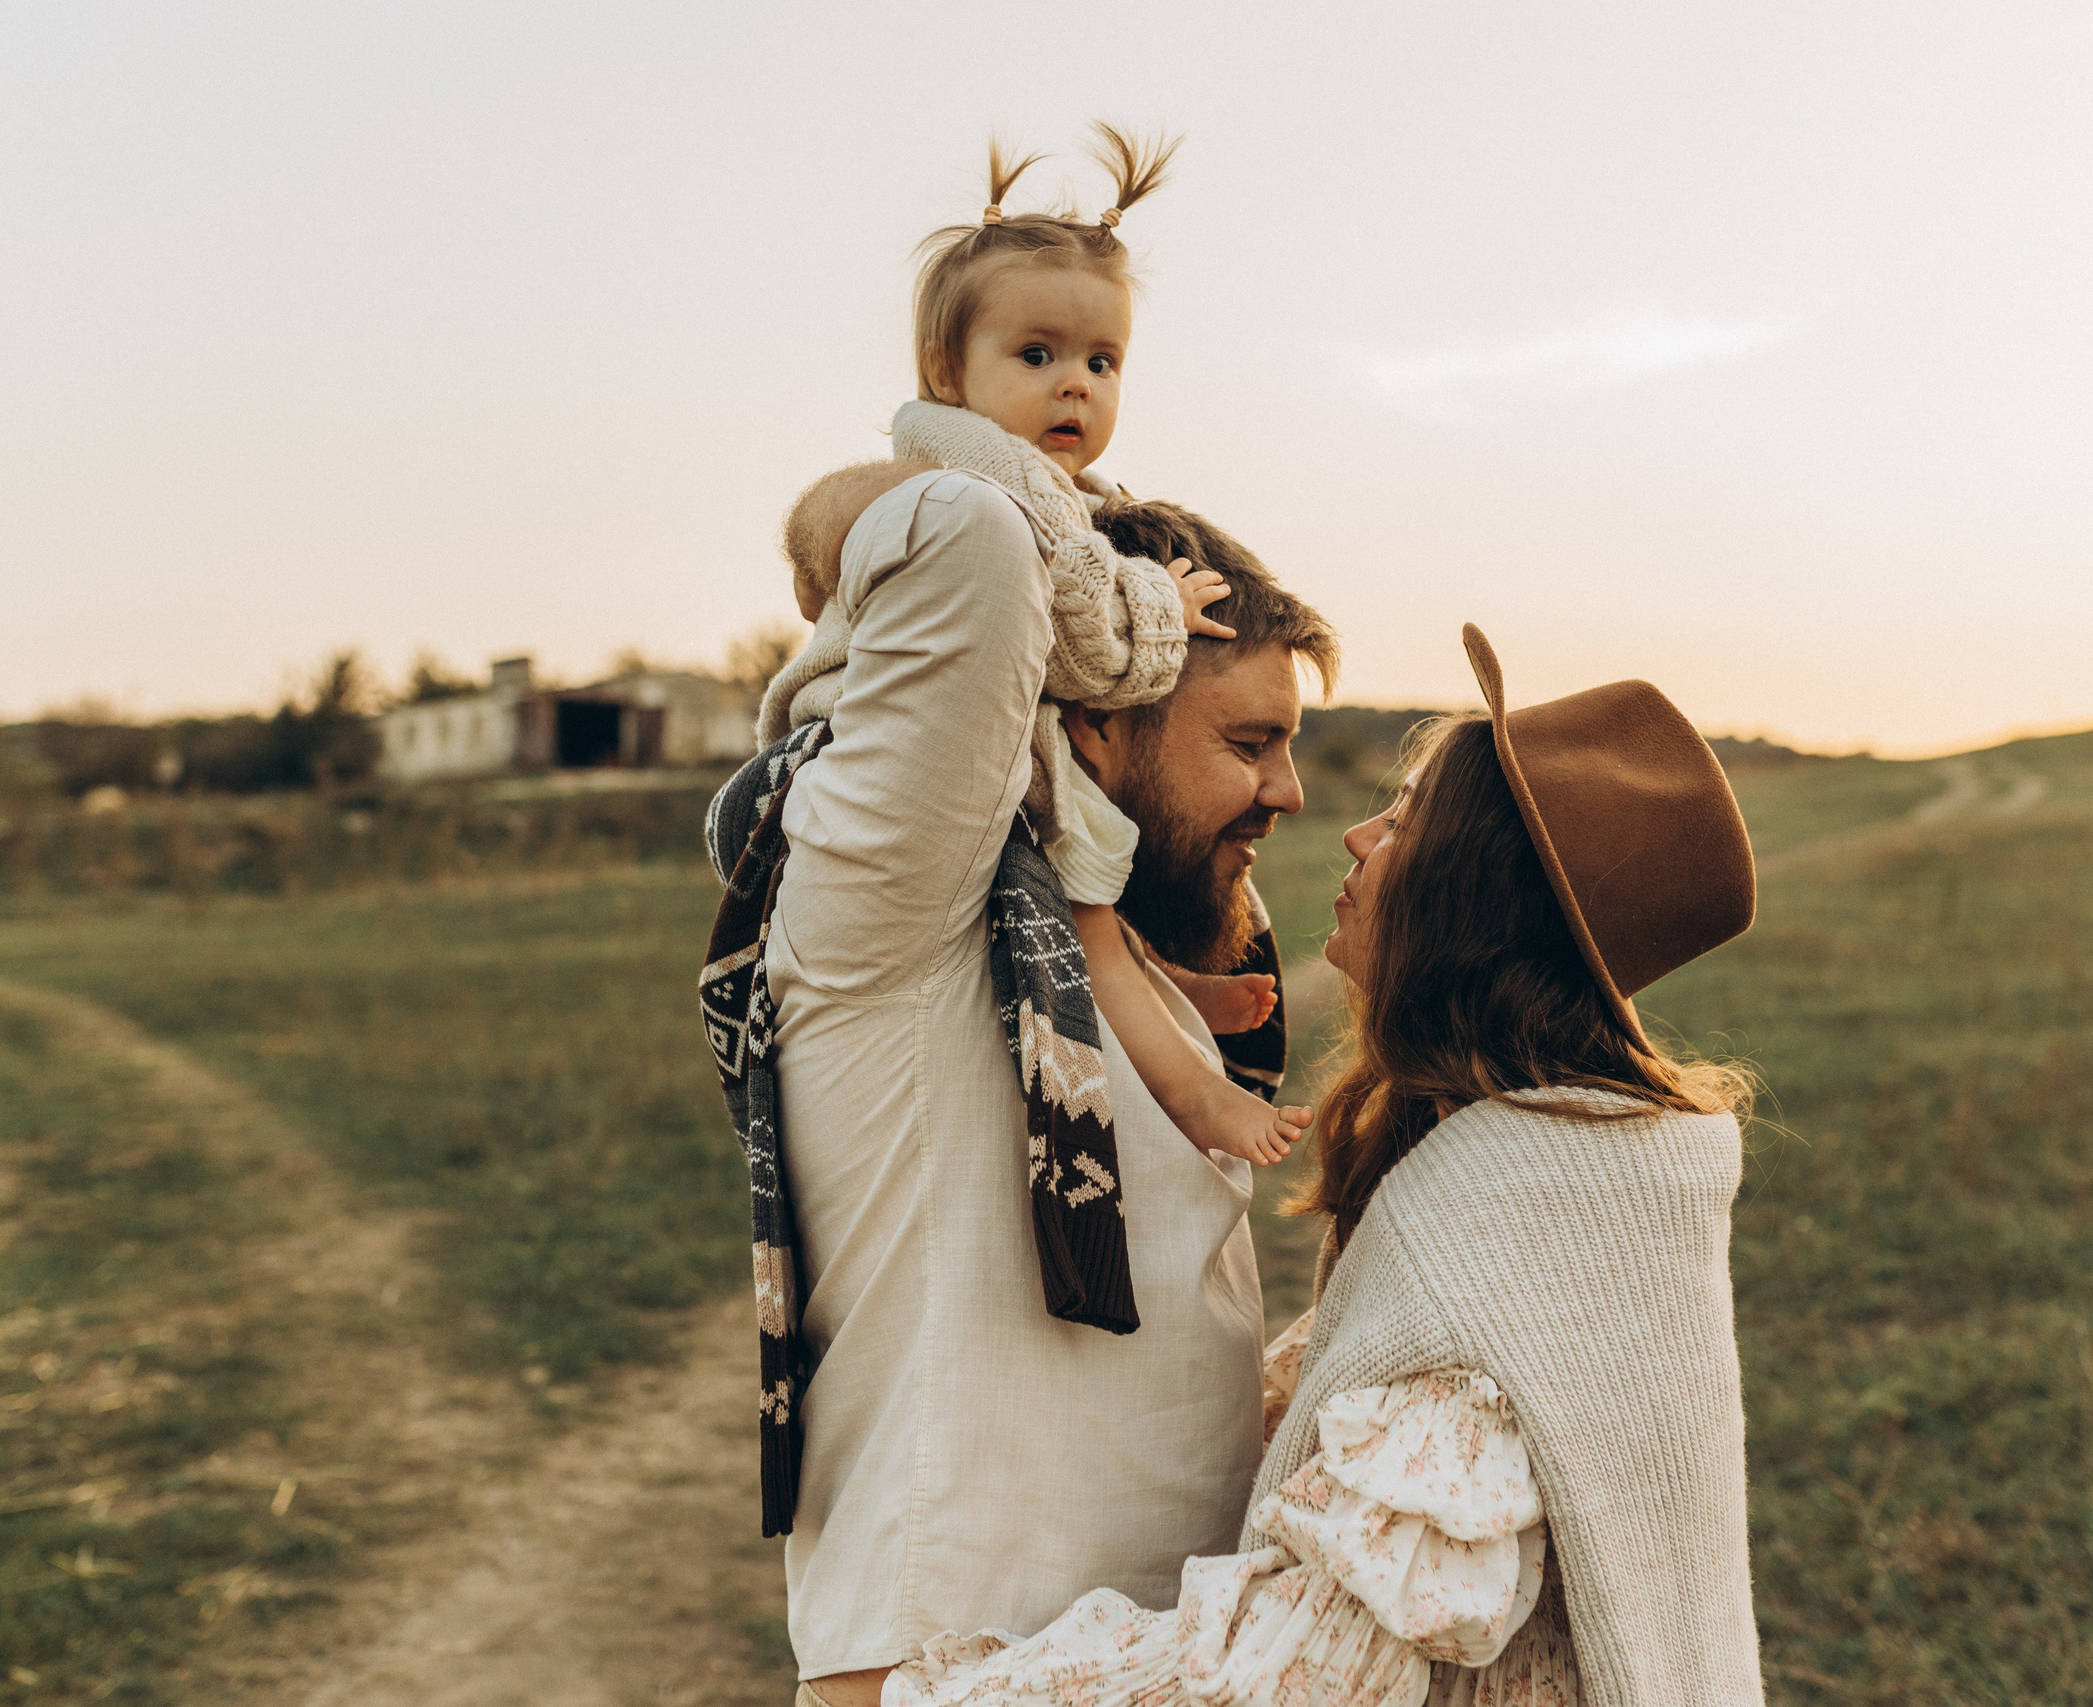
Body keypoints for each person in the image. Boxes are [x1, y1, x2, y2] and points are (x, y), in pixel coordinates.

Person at [885, 624, 1769, 1707]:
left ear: (1470, 893)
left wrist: (916, 1696)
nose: (1354, 832)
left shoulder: (1510, 1242)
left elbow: (1283, 1680)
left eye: (1402, 817)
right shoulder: (1585, 1179)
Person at [710, 452, 1340, 1706]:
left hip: (1143, 1667)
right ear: (1094, 719)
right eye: (1249, 742)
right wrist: (1026, 475)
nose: (1288, 790)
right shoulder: (898, 906)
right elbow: (959, 535)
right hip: (958, 1667)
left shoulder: (1102, 957)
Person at [763, 128, 1311, 1170]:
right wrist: (1155, 604)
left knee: (1090, 886)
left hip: (974, 738)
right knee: (1085, 901)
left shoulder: (1051, 493)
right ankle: (1194, 1087)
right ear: (946, 368)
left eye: (1102, 362)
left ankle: (1159, 990)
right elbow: (1086, 648)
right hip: (894, 744)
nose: (1076, 388)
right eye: (1037, 355)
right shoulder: (984, 487)